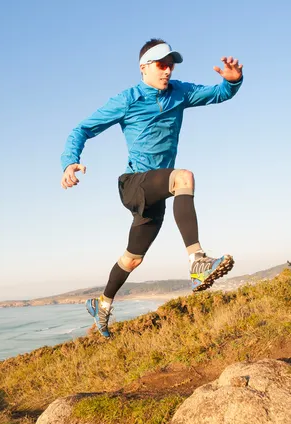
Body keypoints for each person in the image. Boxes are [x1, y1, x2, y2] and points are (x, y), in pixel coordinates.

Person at [60, 38, 243, 338]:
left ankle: (101, 305)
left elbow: (218, 93)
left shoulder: (180, 92)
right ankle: (197, 261)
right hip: (134, 184)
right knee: (184, 177)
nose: (167, 71)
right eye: (161, 65)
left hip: (156, 191)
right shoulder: (129, 98)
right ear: (144, 67)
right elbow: (82, 128)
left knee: (133, 258)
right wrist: (70, 162)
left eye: (171, 64)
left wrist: (233, 83)